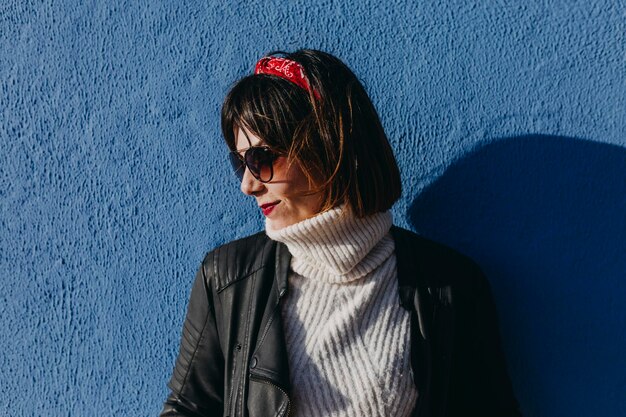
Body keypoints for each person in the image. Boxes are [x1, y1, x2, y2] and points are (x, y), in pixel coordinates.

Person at [160, 49, 521, 417]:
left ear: (326, 145)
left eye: (262, 159)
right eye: (241, 163)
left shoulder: (449, 287)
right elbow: (187, 409)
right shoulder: (227, 278)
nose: (248, 185)